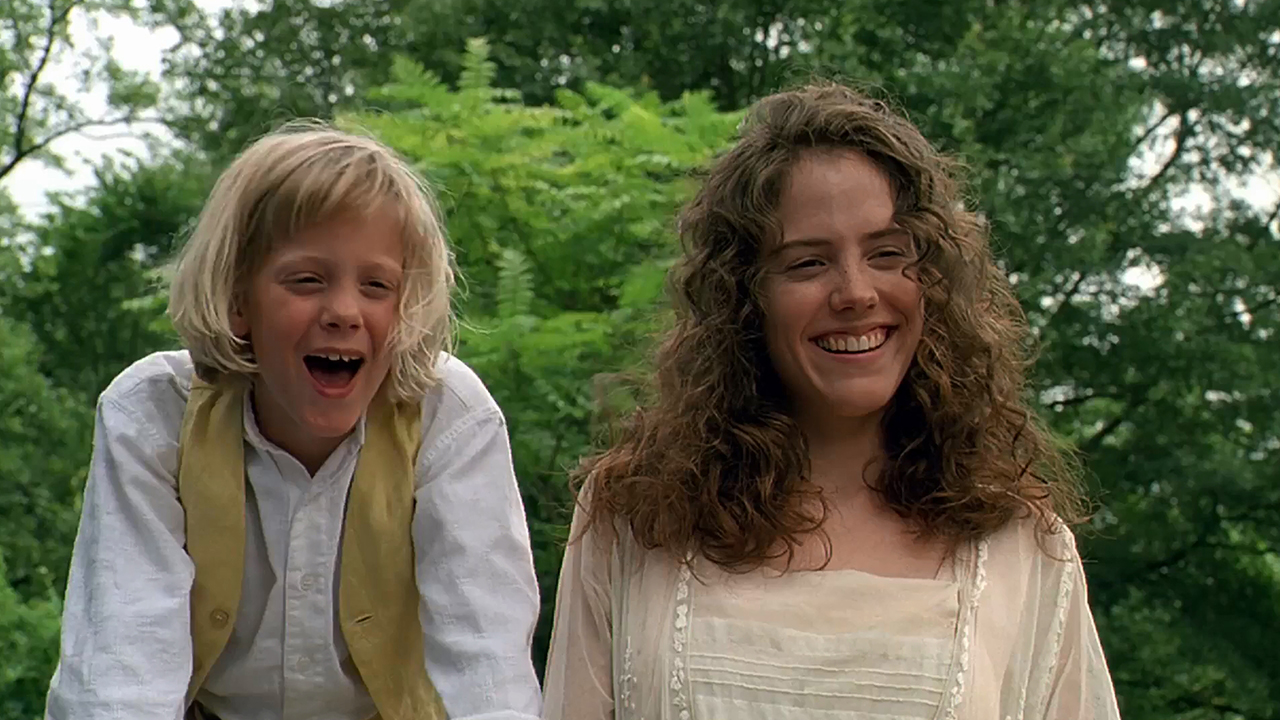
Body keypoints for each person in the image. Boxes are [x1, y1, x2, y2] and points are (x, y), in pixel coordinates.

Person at [541, 82, 1121, 719]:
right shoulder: (634, 519)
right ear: (745, 299)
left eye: (887, 254)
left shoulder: (1023, 546)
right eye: (808, 264)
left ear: (933, 281)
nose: (855, 292)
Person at [44, 122, 543, 720]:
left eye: (377, 285)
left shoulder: (447, 415)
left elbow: (487, 663)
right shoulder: (154, 415)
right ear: (237, 298)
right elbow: (122, 666)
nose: (344, 312)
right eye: (307, 280)